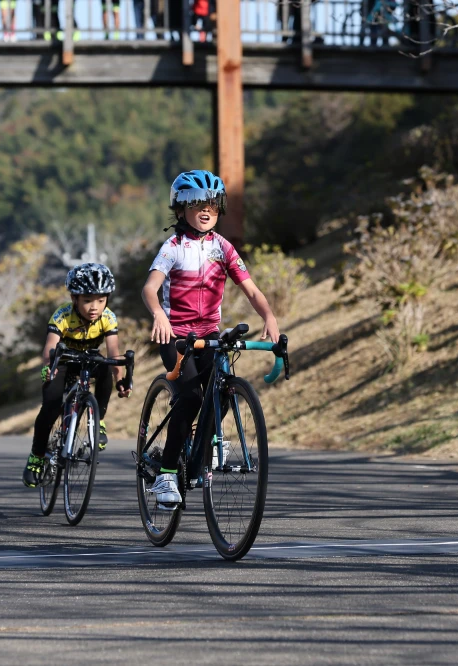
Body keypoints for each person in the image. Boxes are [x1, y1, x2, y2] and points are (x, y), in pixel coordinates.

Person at [141, 170, 280, 507]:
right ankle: (166, 474)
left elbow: (251, 290)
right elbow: (149, 288)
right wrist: (158, 313)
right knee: (190, 399)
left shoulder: (223, 247)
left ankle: (204, 445)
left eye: (213, 205)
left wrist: (269, 316)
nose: (206, 210)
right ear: (180, 209)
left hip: (208, 334)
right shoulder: (173, 247)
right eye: (196, 203)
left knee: (220, 390)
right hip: (176, 336)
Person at [22, 263, 131, 488]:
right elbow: (50, 347)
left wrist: (120, 379)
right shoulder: (62, 315)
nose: (94, 307)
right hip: (62, 362)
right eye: (87, 300)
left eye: (101, 300)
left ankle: (98, 421)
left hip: (89, 359)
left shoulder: (108, 318)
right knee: (51, 407)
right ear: (74, 298)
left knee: (105, 367)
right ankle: (36, 456)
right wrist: (49, 367)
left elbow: (114, 353)